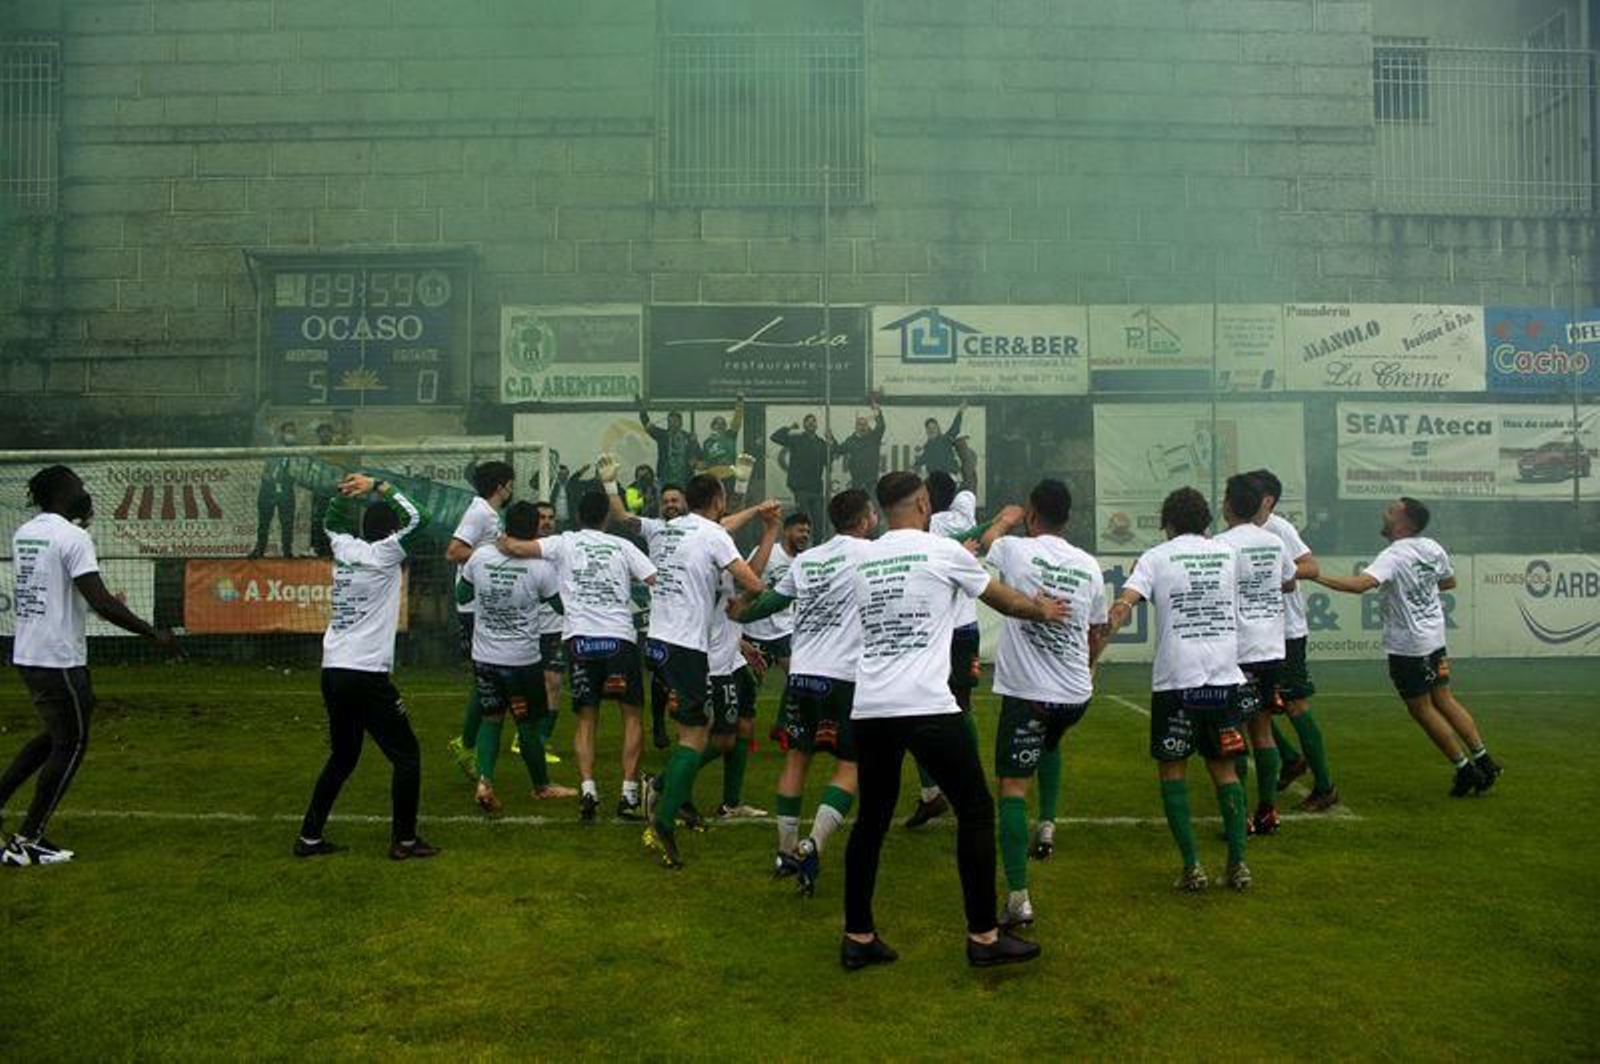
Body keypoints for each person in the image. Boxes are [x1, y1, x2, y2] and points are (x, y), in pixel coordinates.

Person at [841, 471, 1068, 971]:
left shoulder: (863, 558)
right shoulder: (942, 551)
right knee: (976, 809)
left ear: (884, 509)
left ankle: (858, 936)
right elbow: (1002, 599)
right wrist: (1042, 610)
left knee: (872, 821)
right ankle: (984, 938)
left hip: (873, 705)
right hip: (925, 702)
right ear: (923, 503)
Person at [1, 466, 177, 867]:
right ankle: (29, 839)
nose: (85, 493)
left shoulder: (26, 531)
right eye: (79, 487)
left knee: (56, 733)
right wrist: (153, 635)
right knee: (72, 743)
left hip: (29, 652)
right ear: (63, 492)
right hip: (58, 657)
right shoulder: (72, 536)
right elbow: (101, 601)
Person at [1105, 487, 1252, 893]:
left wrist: (1096, 644)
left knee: (1173, 770)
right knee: (1224, 769)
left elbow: (1125, 604)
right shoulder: (1228, 553)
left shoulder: (1155, 557)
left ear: (1167, 523)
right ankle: (1238, 864)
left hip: (1177, 680)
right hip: (1224, 676)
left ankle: (1193, 867)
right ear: (1205, 520)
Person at [982, 479, 1108, 930]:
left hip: (1029, 695)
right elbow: (1098, 631)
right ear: (1068, 518)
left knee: (1013, 787)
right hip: (1075, 695)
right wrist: (1090, 666)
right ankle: (1049, 824)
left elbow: (986, 545)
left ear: (1033, 514)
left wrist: (1004, 520)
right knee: (1050, 745)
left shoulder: (1016, 550)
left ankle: (1018, 898)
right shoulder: (1089, 565)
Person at [1313, 497, 1501, 797]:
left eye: (1390, 511)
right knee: (1445, 699)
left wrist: (1316, 575)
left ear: (1405, 523)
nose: (1383, 514)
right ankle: (1485, 761)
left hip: (1409, 646)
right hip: (1434, 638)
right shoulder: (1431, 547)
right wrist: (1418, 588)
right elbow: (1448, 582)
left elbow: (1360, 585)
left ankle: (1465, 769)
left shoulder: (1394, 555)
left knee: (1422, 709)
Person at [293, 473, 435, 861]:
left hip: (333, 670)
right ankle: (404, 840)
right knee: (407, 755)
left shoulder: (344, 547)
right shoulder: (387, 552)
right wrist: (379, 485)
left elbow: (331, 522)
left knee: (343, 757)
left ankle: (309, 837)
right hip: (367, 674)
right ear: (392, 531)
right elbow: (420, 518)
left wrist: (343, 493)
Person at [637, 473, 775, 869]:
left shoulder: (668, 530)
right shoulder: (713, 535)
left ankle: (672, 799)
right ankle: (662, 812)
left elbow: (720, 529)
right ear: (718, 499)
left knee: (696, 730)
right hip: (686, 645)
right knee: (696, 736)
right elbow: (752, 581)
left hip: (658, 639)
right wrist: (750, 597)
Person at [496, 491, 658, 821]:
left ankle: (588, 788)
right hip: (619, 639)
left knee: (586, 717)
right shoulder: (622, 546)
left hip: (580, 640)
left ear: (579, 516)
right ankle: (628, 794)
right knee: (631, 716)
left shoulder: (564, 541)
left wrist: (493, 535)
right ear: (606, 518)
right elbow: (655, 579)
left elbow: (515, 547)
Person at [458, 501, 576, 814]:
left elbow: (462, 595)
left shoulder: (481, 556)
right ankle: (542, 785)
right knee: (528, 725)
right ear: (534, 527)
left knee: (491, 719)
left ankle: (485, 780)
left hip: (483, 656)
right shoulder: (541, 567)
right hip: (521, 660)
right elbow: (561, 607)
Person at [1248, 469, 1339, 811]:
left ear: (1267, 501)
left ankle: (1325, 786)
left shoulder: (1279, 528)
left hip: (1285, 633)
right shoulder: (1240, 530)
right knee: (1249, 705)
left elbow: (1310, 567)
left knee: (1296, 705)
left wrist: (1278, 571)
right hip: (1255, 633)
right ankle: (1288, 758)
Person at [904, 470, 987, 829]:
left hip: (936, 630)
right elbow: (969, 480)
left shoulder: (927, 527)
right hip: (967, 628)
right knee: (962, 705)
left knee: (917, 711)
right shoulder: (965, 512)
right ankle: (969, 777)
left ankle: (931, 791)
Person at [1216, 474, 1297, 836]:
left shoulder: (1221, 544)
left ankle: (1244, 815)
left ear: (1229, 505)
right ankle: (1268, 810)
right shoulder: (1273, 542)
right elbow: (1291, 580)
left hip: (1237, 647)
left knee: (1234, 733)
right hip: (1271, 646)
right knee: (1262, 730)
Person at [605, 471, 690, 750]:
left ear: (685, 502)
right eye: (666, 501)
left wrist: (741, 483)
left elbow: (727, 516)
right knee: (660, 671)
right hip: (660, 611)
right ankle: (659, 723)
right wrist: (609, 482)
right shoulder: (653, 527)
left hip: (691, 609)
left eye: (675, 500)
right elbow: (620, 515)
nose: (670, 504)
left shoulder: (698, 527)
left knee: (688, 670)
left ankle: (687, 720)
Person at [444, 461, 516, 782]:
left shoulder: (488, 513)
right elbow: (454, 551)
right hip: (473, 606)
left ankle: (467, 741)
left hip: (484, 603)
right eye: (510, 483)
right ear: (501, 485)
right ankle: (466, 742)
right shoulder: (480, 513)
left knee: (486, 678)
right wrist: (490, 560)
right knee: (486, 678)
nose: (512, 489)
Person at [744, 511, 811, 735]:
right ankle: (740, 725)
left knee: (799, 677)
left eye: (808, 532)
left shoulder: (806, 561)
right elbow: (747, 575)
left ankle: (782, 724)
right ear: (786, 531)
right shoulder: (768, 552)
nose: (805, 535)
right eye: (800, 530)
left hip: (785, 630)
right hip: (756, 629)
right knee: (750, 683)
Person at [769, 413, 830, 529]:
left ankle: (818, 545)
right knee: (804, 520)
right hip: (800, 488)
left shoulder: (821, 443)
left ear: (817, 425)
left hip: (816, 488)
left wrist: (831, 439)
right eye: (808, 421)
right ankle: (803, 546)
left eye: (814, 421)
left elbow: (829, 460)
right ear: (804, 425)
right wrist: (790, 428)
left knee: (819, 522)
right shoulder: (796, 439)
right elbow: (775, 437)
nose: (811, 423)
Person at [249, 419, 298, 559]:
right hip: (268, 488)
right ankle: (260, 549)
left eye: (293, 432)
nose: (291, 435)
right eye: (288, 432)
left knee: (287, 522)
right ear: (281, 433)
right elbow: (259, 427)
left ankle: (287, 551)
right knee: (264, 521)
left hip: (286, 489)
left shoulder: (298, 450)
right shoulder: (273, 445)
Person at [638, 396, 701, 488]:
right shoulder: (663, 436)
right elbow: (647, 425)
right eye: (670, 421)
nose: (673, 423)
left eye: (676, 421)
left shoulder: (688, 437)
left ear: (681, 423)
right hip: (665, 478)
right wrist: (642, 409)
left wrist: (695, 460)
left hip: (685, 479)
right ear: (667, 422)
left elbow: (698, 453)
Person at [830, 401, 886, 490]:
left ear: (868, 426)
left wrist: (877, 411)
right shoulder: (850, 441)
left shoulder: (874, 438)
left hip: (872, 484)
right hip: (857, 484)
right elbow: (838, 449)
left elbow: (881, 426)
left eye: (865, 424)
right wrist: (831, 439)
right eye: (860, 424)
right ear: (856, 426)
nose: (863, 427)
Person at [699, 396, 745, 487]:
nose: (719, 426)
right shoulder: (707, 442)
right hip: (713, 476)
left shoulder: (730, 436)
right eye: (717, 424)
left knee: (728, 499)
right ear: (712, 427)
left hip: (729, 474)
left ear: (725, 426)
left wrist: (739, 404)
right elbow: (705, 461)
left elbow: (737, 421)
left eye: (722, 424)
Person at [914, 402, 966, 477]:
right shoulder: (927, 447)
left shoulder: (945, 440)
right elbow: (920, 461)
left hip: (948, 477)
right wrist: (915, 464)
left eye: (934, 428)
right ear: (926, 431)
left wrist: (960, 412)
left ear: (938, 429)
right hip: (935, 480)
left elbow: (955, 428)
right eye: (929, 428)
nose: (931, 430)